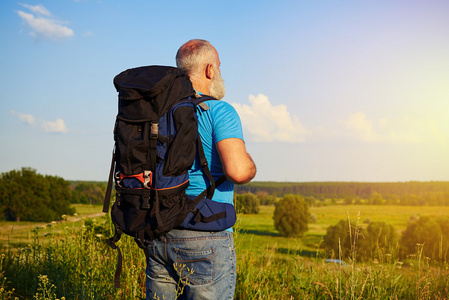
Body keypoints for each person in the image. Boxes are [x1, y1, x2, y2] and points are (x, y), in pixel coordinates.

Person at [145, 39, 256, 300]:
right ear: (210, 70)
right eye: (218, 66)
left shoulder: (158, 114)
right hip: (206, 235)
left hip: (160, 232)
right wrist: (250, 163)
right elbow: (239, 172)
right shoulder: (220, 111)